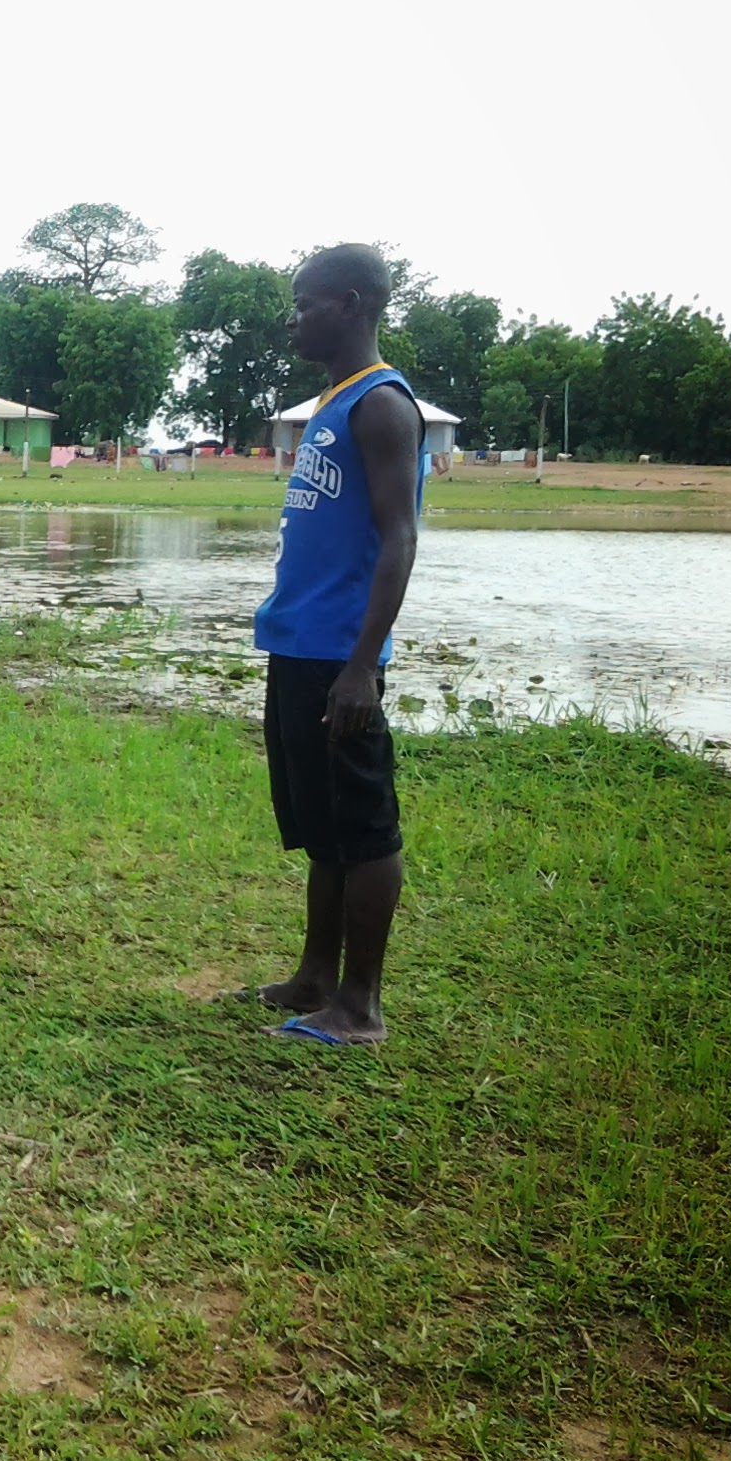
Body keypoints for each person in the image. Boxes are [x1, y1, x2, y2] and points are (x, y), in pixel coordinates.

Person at [250, 243, 427, 1045]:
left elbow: (399, 540)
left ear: (350, 303)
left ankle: (360, 1005)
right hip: (297, 644)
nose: (294, 318)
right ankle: (315, 976)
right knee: (320, 825)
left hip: (339, 658)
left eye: (304, 303)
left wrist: (364, 665)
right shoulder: (331, 402)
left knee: (364, 827)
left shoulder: (383, 405)